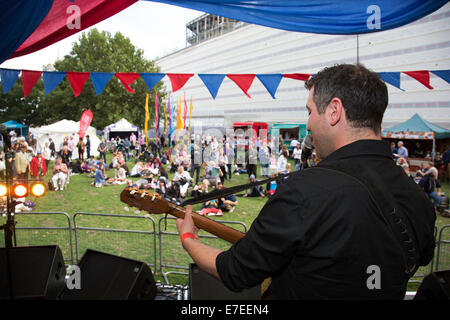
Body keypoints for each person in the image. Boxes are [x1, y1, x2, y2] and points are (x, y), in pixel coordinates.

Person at [175, 64, 436, 300]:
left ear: (334, 111)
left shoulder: (303, 192)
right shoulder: (417, 198)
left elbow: (236, 271)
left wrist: (188, 238)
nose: (308, 124)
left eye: (310, 111)